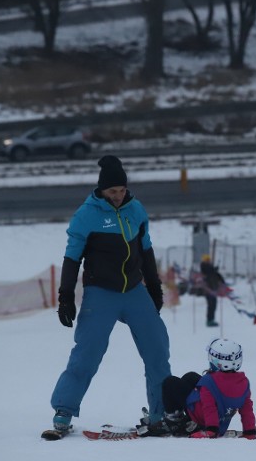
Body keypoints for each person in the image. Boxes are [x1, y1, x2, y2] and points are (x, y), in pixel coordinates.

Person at [49, 155, 171, 434]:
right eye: (112, 191)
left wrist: (154, 288)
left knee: (158, 350)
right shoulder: (87, 215)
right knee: (87, 354)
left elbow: (146, 250)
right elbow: (71, 257)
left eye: (121, 190)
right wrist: (65, 295)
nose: (118, 196)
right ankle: (63, 412)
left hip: (134, 292)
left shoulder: (136, 210)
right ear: (101, 190)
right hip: (100, 293)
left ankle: (159, 414)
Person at [138, 338, 256, 439]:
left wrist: (211, 430)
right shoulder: (244, 382)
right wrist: (249, 431)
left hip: (205, 420)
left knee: (170, 383)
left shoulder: (209, 381)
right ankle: (183, 420)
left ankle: (174, 421)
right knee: (191, 377)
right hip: (220, 421)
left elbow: (209, 406)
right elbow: (247, 408)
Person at [199, 254, 225, 327]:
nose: (208, 261)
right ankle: (209, 320)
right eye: (207, 260)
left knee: (214, 304)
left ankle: (212, 319)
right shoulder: (203, 267)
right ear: (204, 260)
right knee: (211, 305)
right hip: (208, 289)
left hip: (213, 288)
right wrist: (214, 269)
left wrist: (222, 281)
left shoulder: (210, 267)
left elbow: (216, 274)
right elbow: (209, 272)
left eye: (209, 260)